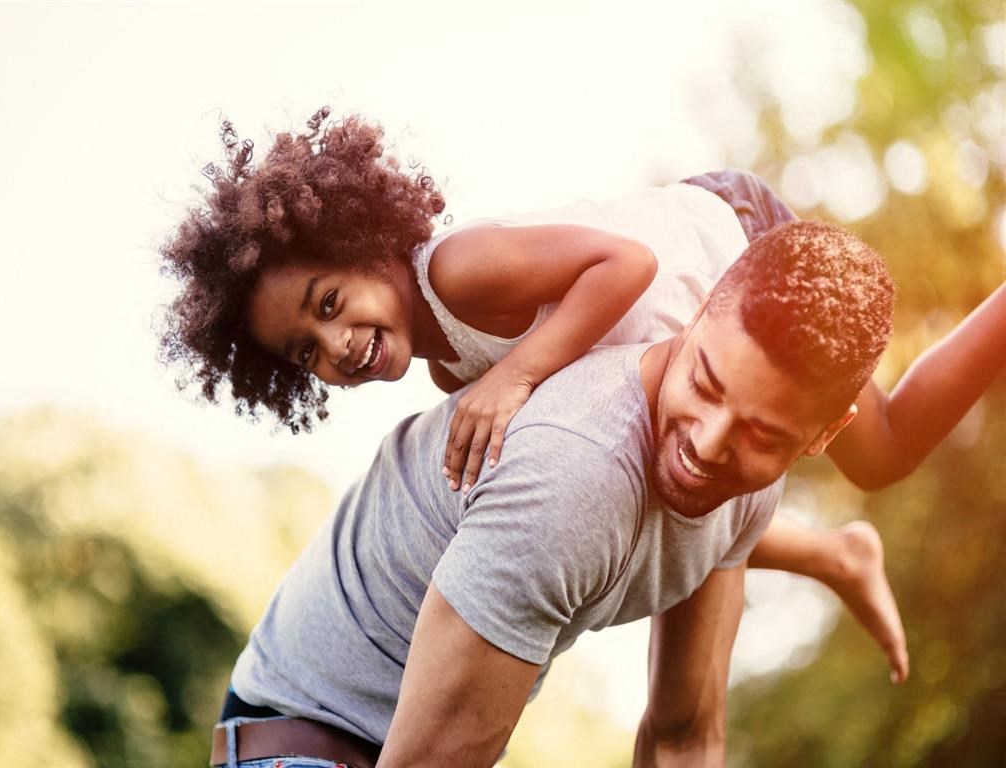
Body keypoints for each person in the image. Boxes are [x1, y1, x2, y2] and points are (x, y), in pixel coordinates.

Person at [161, 110, 1004, 683]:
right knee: (662, 487)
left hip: (734, 252)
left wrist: (519, 373)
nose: (336, 346)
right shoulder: (450, 371)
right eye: (305, 352)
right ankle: (832, 553)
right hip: (682, 355)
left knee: (885, 448)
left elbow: (624, 265)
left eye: (331, 304)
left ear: (361, 244)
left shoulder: (456, 269)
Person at [205, 213, 896, 768]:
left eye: (763, 434)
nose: (710, 443)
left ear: (822, 437)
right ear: (695, 319)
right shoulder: (573, 476)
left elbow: (685, 737)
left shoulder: (745, 494)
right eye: (705, 385)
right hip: (305, 736)